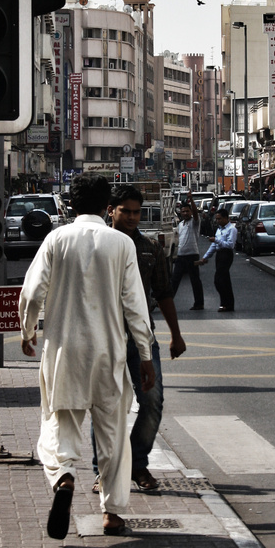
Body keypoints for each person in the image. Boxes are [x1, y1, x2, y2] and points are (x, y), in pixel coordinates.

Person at [18, 173, 154, 539]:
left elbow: (32, 293)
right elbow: (135, 305)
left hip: (64, 350)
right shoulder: (121, 243)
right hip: (109, 352)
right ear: (105, 205)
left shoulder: (56, 239)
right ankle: (112, 513)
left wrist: (27, 330)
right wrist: (144, 353)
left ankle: (63, 476)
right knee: (112, 435)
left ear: (70, 205)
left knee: (59, 424)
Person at [100, 184, 186, 492]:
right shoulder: (100, 246)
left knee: (153, 401)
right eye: (127, 212)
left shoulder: (150, 248)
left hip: (142, 338)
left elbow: (163, 294)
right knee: (108, 407)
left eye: (137, 212)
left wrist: (176, 335)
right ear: (111, 210)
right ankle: (106, 472)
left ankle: (137, 464)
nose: (133, 217)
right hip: (105, 337)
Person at [197, 207, 236, 312]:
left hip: (226, 254)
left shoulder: (231, 229)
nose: (217, 221)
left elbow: (230, 245)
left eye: (219, 219)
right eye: (217, 219)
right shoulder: (219, 229)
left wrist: (217, 240)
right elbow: (213, 246)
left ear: (226, 218)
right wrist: (205, 257)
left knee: (219, 280)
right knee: (224, 280)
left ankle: (226, 303)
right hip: (219, 254)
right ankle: (227, 303)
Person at [170, 193, 204, 310]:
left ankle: (199, 303)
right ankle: (168, 302)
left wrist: (192, 200)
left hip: (192, 255)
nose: (185, 213)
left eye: (187, 211)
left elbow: (195, 213)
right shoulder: (180, 224)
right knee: (175, 280)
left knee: (195, 280)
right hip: (181, 255)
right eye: (183, 211)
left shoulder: (195, 222)